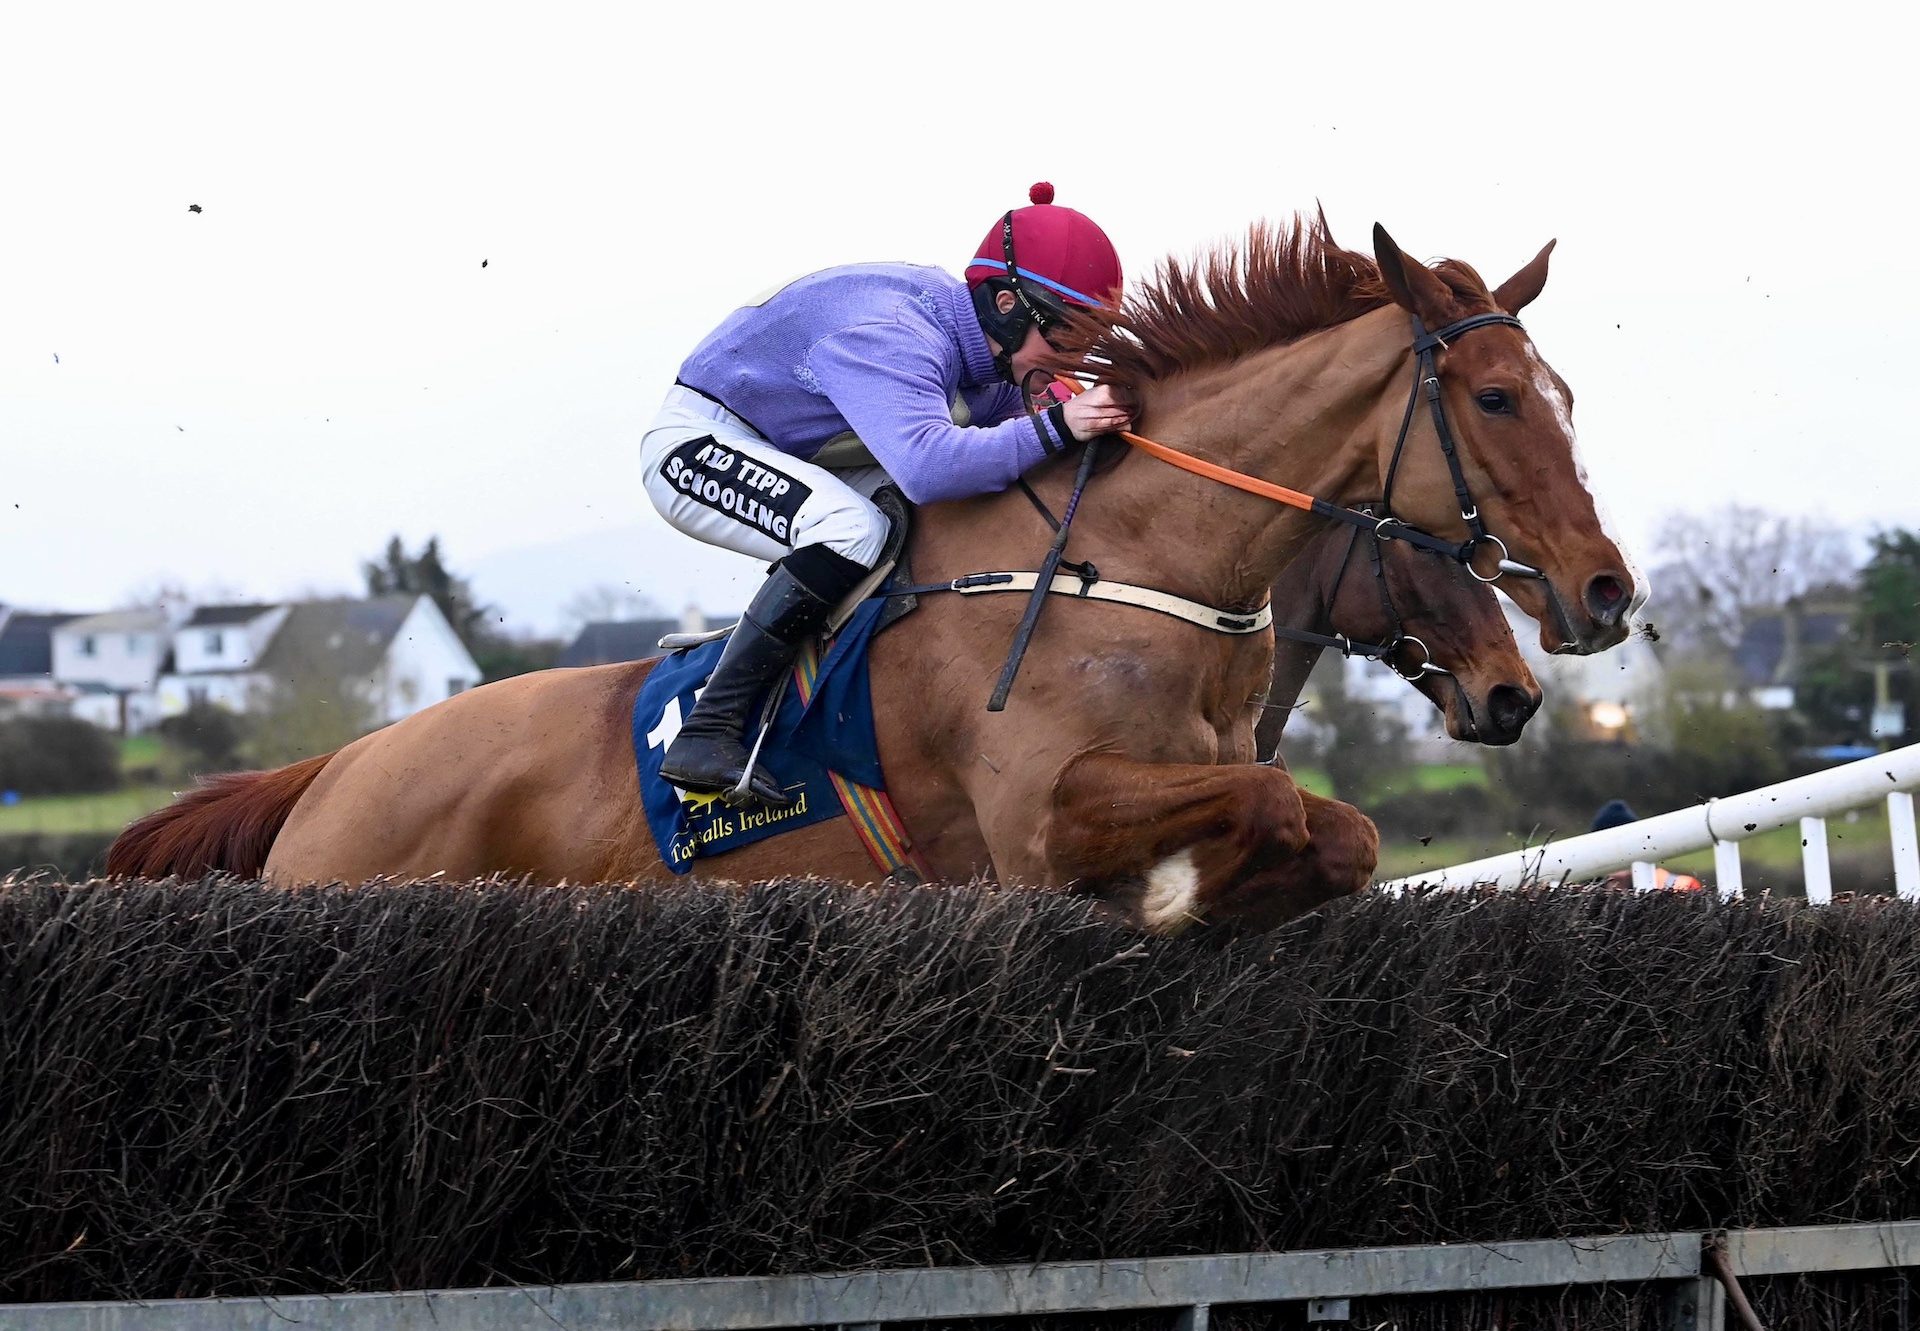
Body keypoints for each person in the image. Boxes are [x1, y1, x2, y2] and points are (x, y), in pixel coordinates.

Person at [643, 183, 1134, 805]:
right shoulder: (892, 333)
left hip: (803, 450)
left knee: (939, 518)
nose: (1074, 362)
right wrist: (1062, 425)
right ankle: (709, 727)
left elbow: (1034, 441)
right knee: (853, 529)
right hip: (700, 442)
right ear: (1007, 305)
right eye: (1066, 342)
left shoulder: (994, 354)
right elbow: (929, 468)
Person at [1591, 799, 1705, 892]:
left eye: (1624, 844)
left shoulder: (1681, 887)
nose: (1616, 851)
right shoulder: (1580, 898)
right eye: (1609, 845)